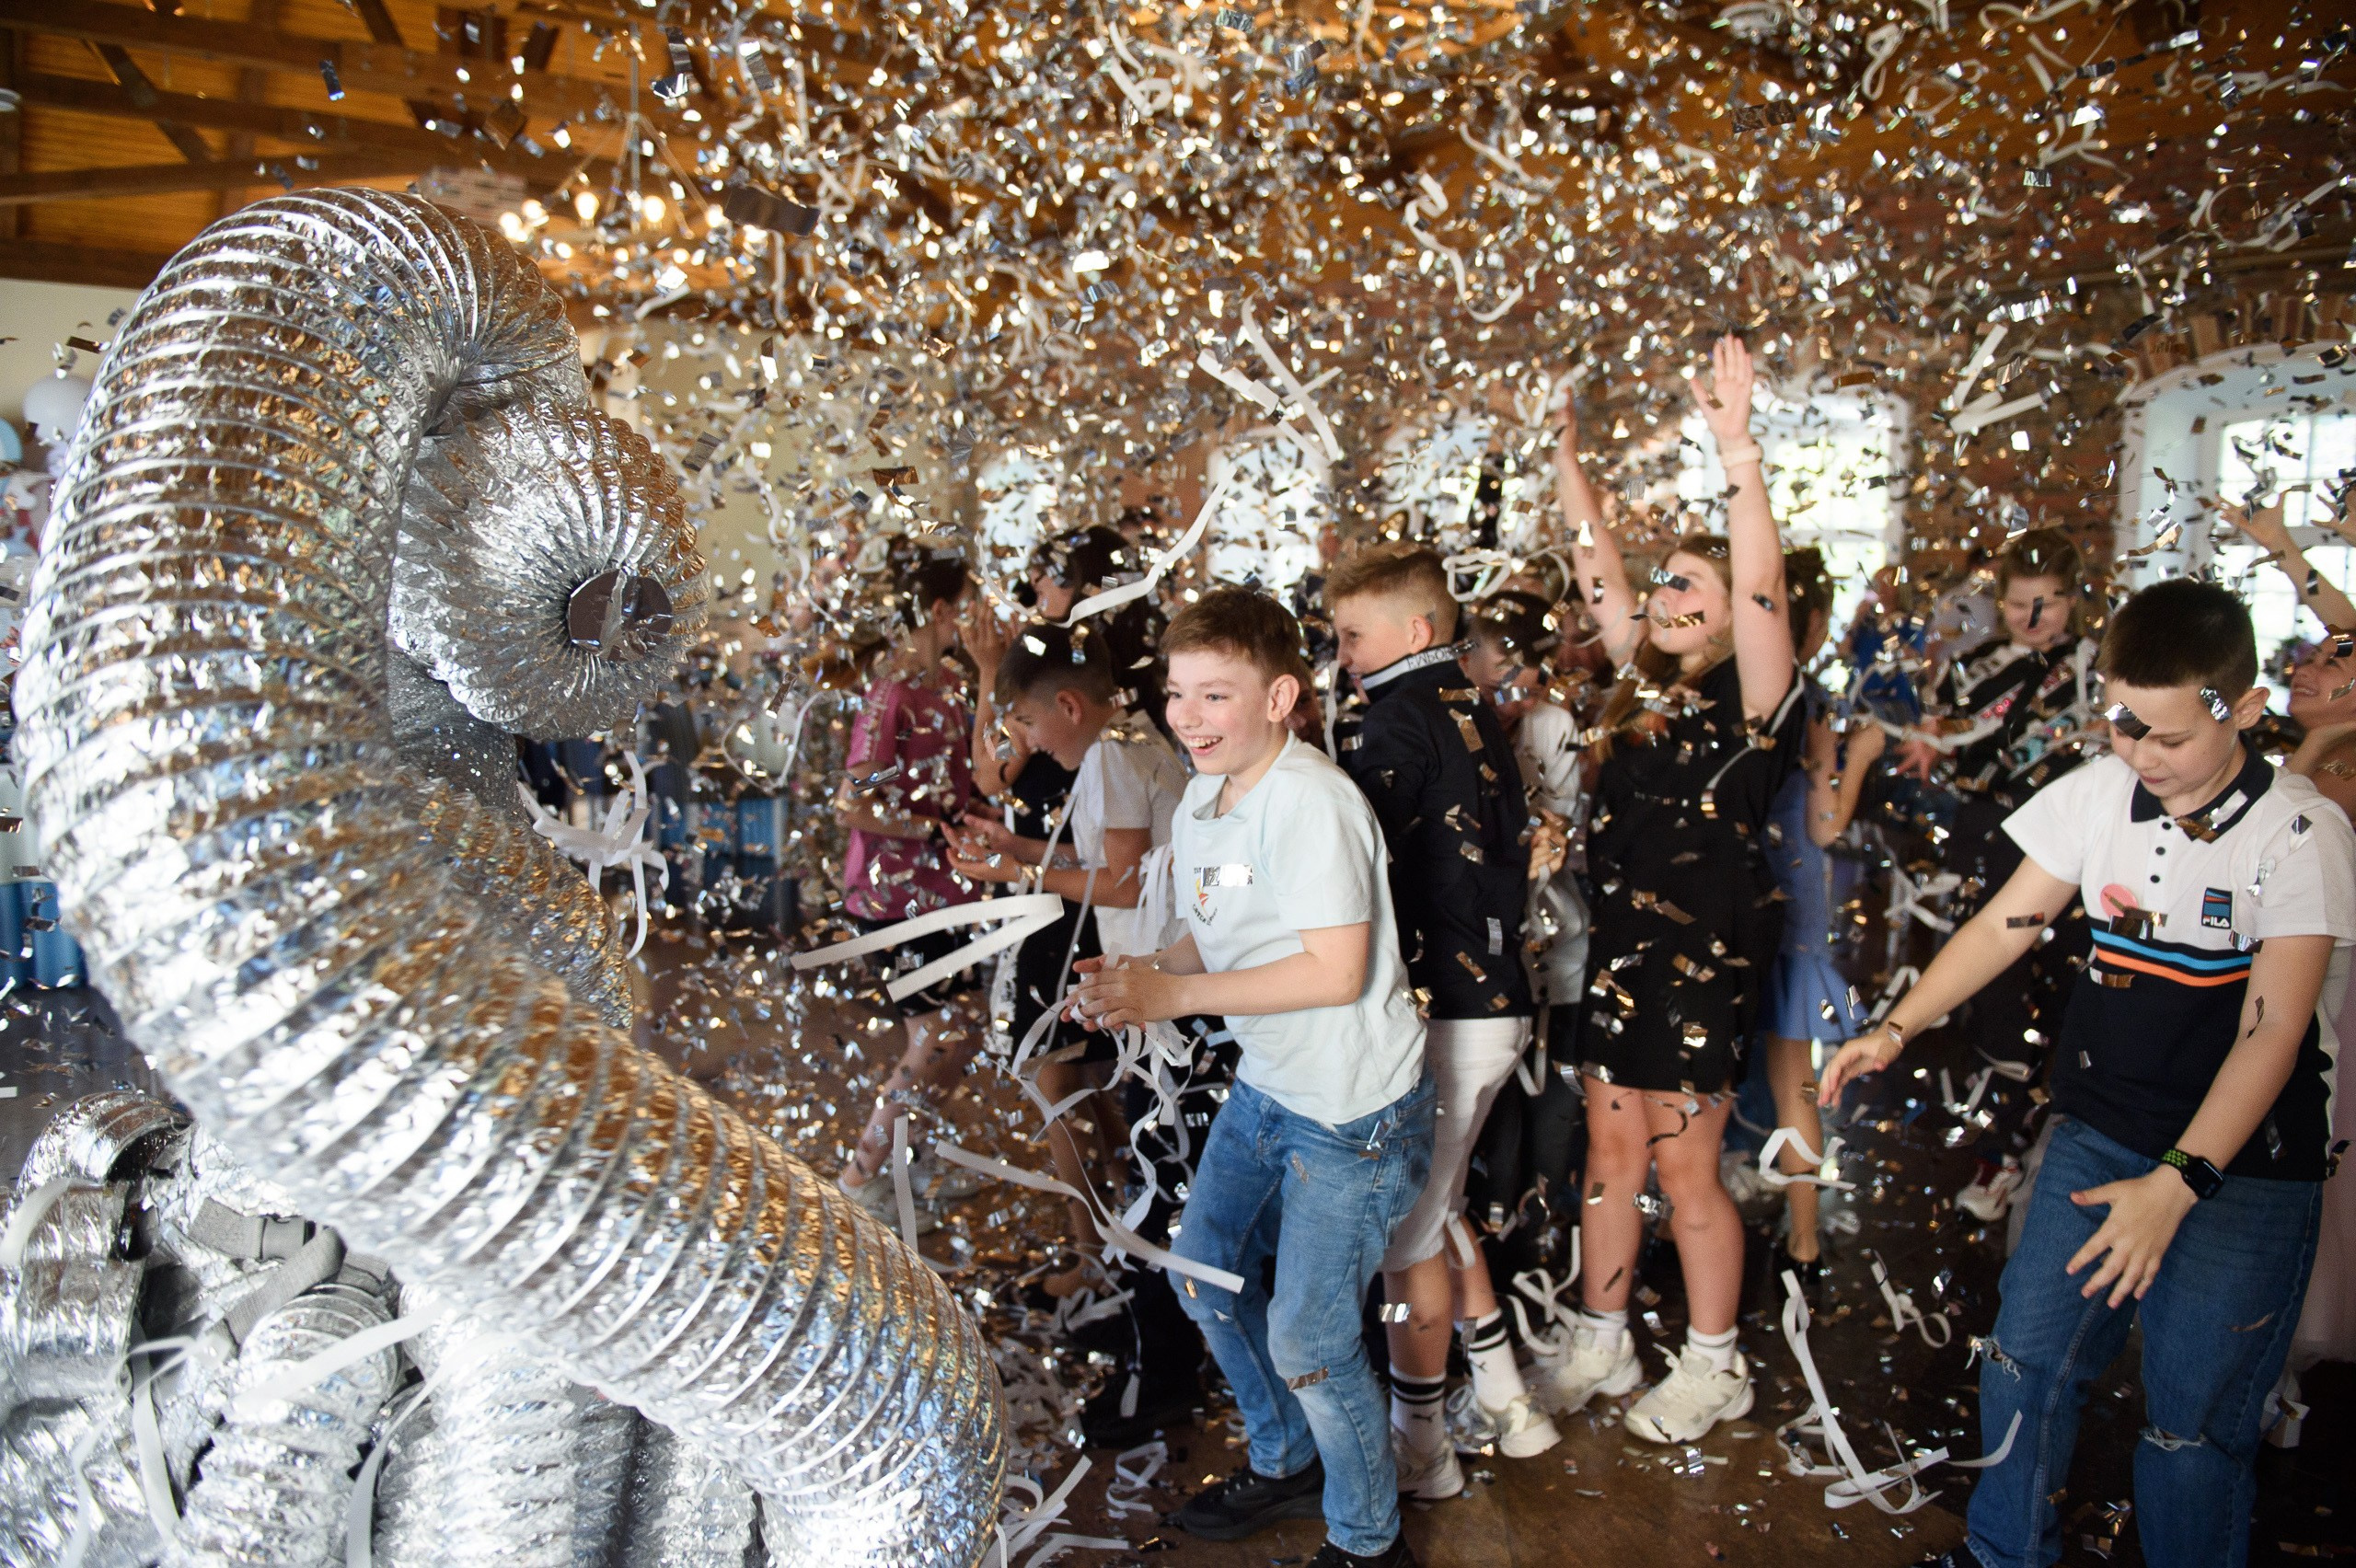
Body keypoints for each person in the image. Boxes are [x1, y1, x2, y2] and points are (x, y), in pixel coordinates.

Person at [1819, 578, 2355, 1568]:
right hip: (2098, 1132)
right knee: (2025, 1370)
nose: (2142, 756)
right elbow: (2003, 925)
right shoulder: (2100, 792)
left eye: (2166, 735)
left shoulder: (2300, 833)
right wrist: (1894, 1028)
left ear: (2239, 709)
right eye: (2122, 724)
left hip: (2242, 1171)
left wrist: (2175, 1186)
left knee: (2190, 1431)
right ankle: (1999, 1556)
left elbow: (2270, 1035)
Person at [1068, 585, 1434, 1568]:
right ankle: (1287, 1461)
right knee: (1204, 1277)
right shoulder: (1203, 792)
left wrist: (1173, 999)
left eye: (1216, 696)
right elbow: (1222, 910)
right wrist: (1146, 972)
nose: (1188, 716)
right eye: (1178, 693)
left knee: (1309, 1341)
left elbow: (1332, 970)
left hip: (1352, 1112)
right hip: (1274, 1084)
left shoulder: (1310, 803)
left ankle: (1368, 1543)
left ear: (1278, 699)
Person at [1538, 335, 1801, 1446]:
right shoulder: (1633, 690)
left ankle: (1713, 1362)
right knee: (1607, 1152)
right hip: (1622, 952)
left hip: (1708, 961)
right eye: (1663, 583)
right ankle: (1601, 1337)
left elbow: (1758, 579)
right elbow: (1596, 555)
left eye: (1686, 581)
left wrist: (1736, 449)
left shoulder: (1756, 699)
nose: (1663, 592)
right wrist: (1558, 448)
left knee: (1689, 1168)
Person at [1324, 545, 1560, 1496]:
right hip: (1491, 999)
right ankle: (1508, 1401)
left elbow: (1358, 867)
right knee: (1444, 1208)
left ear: (1414, 632)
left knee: (1405, 1241)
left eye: (1351, 635)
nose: (1338, 653)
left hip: (1452, 1012)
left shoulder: (1394, 721)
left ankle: (1421, 1449)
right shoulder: (1466, 703)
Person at [949, 621, 1186, 1298]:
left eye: (1026, 721)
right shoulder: (1126, 735)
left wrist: (1021, 879)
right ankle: (1124, 1267)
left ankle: (1136, 1292)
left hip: (1158, 969)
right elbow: (1110, 860)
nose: (1025, 741)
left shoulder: (1112, 755)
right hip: (1149, 965)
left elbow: (1130, 881)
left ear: (1070, 707)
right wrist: (1018, 849)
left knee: (1146, 1131)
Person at [1891, 530, 2100, 1223]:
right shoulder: (1969, 667)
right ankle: (1999, 1152)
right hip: (1986, 839)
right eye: (2017, 604)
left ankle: (2052, 1146)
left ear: (2073, 600)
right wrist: (1925, 743)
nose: (2033, 619)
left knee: (2068, 997)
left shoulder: (2098, 671)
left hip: (2073, 843)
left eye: (2047, 604)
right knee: (1996, 996)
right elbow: (1937, 738)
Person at [2223, 496, 2356, 1397]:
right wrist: (2281, 552)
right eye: (2309, 650)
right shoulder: (2305, 752)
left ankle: (2275, 1378)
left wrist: (2315, 747)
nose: (2310, 659)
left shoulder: (2328, 786)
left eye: (2334, 659)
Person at [833, 547, 989, 1228]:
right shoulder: (891, 692)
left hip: (948, 892)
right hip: (894, 898)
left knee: (970, 1028)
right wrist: (928, 833)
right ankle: (861, 1176)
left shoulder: (953, 687)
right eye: (969, 601)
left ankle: (911, 1155)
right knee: (931, 1037)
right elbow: (853, 803)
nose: (978, 613)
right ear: (938, 610)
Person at [1756, 549, 1885, 1291]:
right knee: (1795, 1087)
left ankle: (1794, 1229)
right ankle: (1803, 1244)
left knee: (1784, 1083)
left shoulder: (1759, 697)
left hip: (1771, 908)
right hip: (1800, 918)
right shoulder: (1810, 705)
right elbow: (1829, 823)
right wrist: (1861, 757)